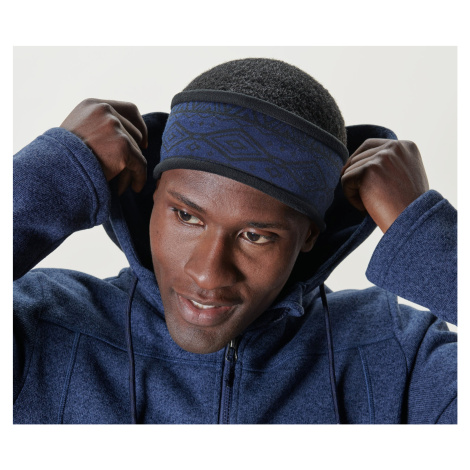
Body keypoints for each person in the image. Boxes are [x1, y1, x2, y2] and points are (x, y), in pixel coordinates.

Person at [13, 58, 457, 424]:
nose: (208, 274)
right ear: (152, 198)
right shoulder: (41, 325)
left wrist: (425, 232)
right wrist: (55, 170)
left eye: (255, 235)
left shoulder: (400, 355)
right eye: (187, 216)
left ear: (308, 236)